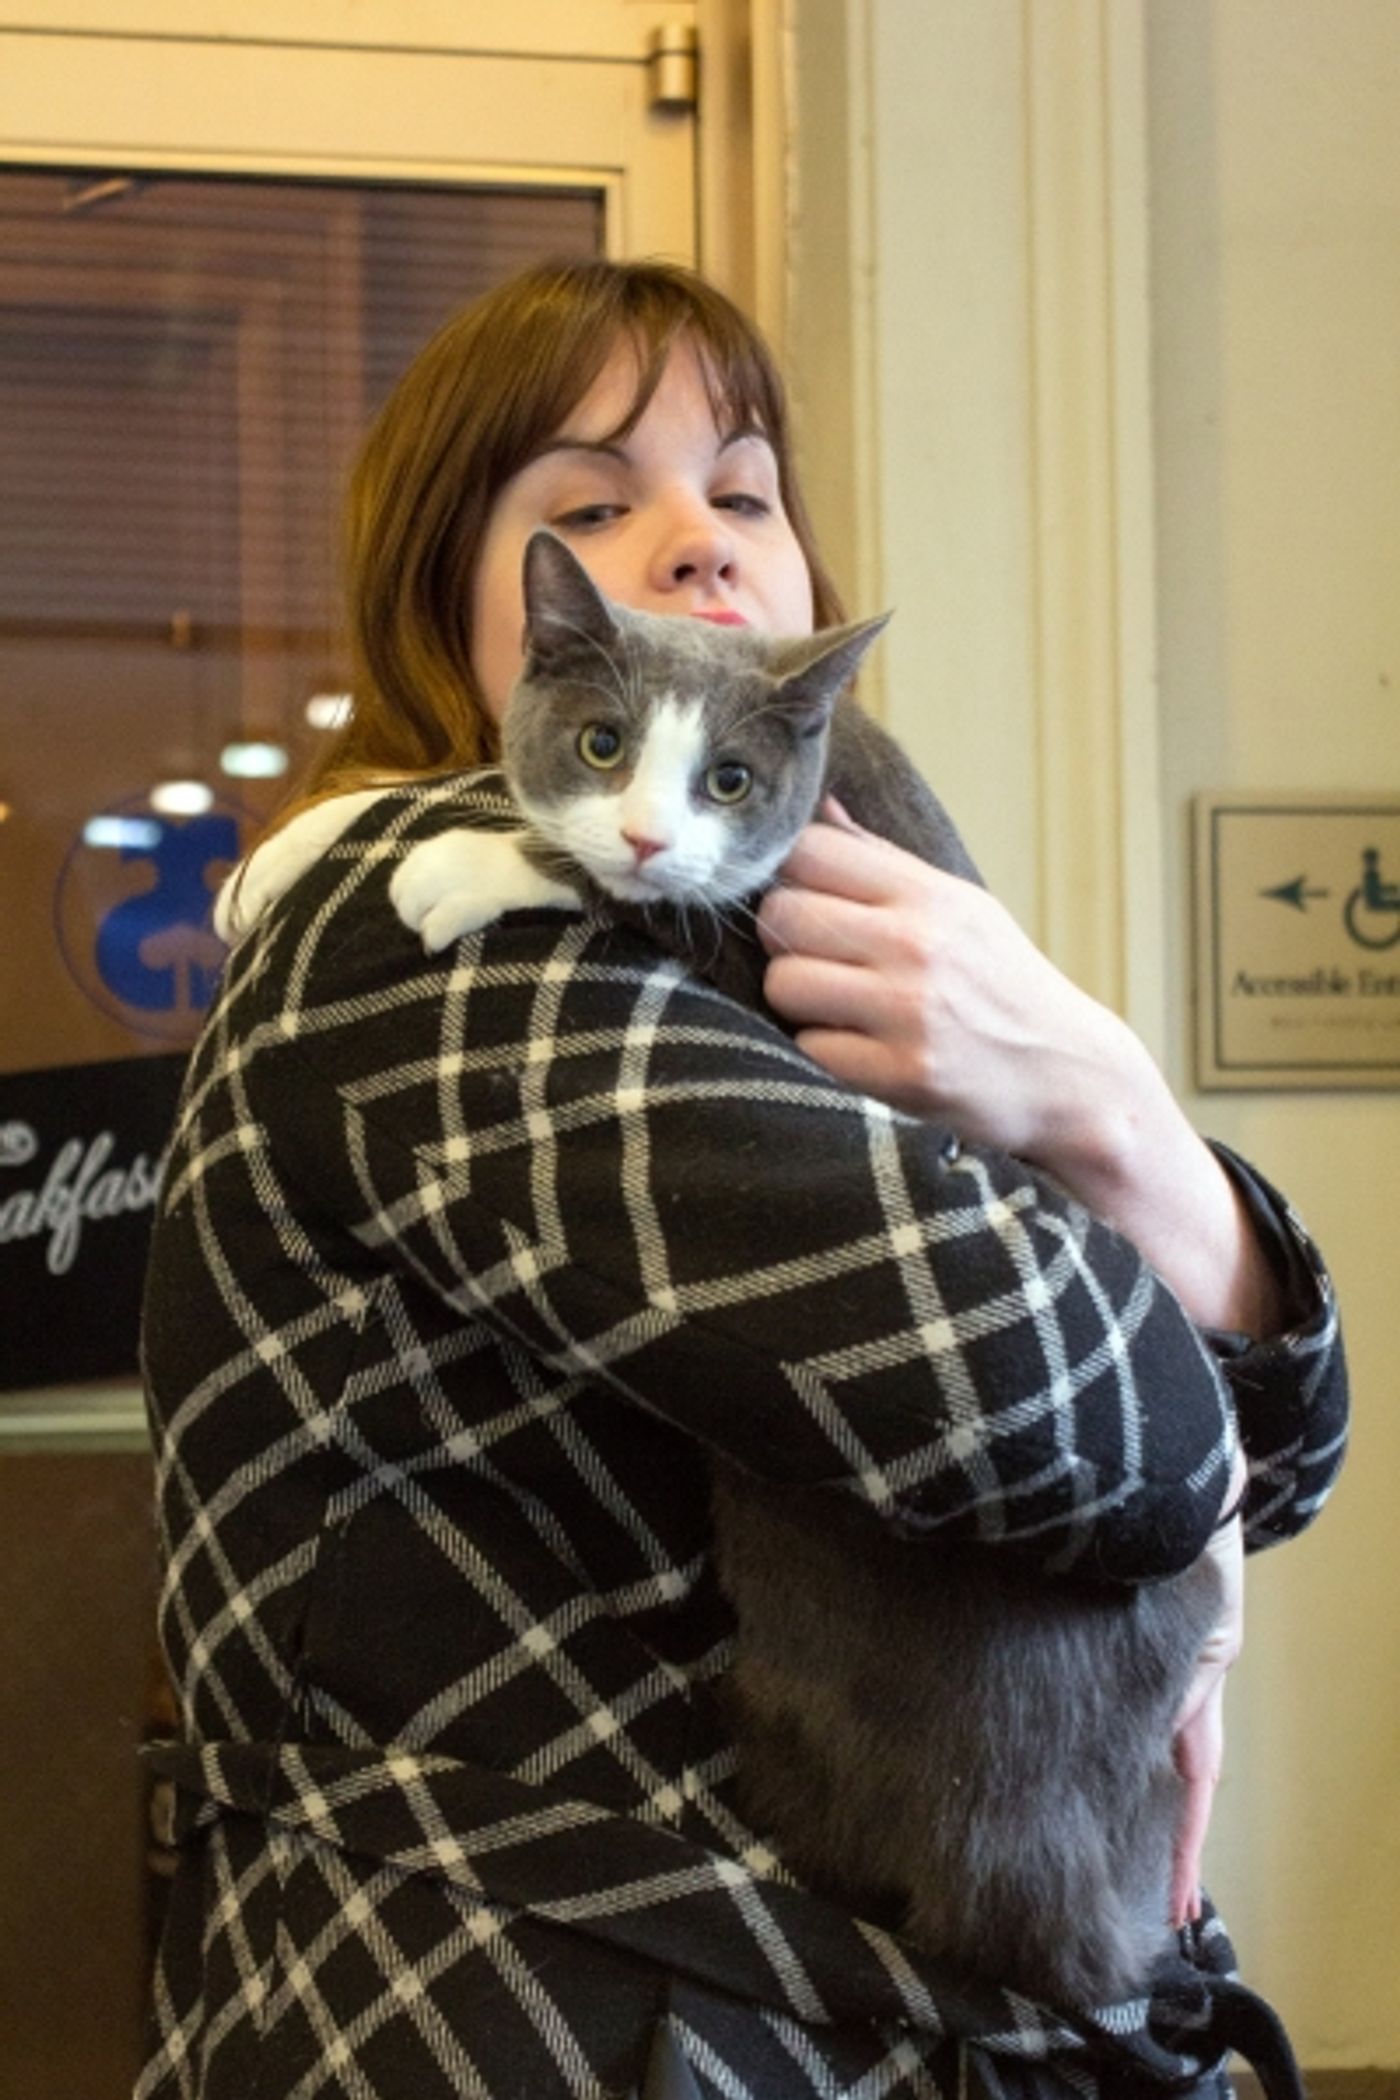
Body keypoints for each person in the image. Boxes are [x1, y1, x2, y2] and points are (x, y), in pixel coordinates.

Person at [138, 259, 1347, 2100]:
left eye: (748, 489)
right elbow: (1075, 1403)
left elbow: (1295, 1442)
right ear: (473, 607)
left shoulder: (798, 953)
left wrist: (1103, 1101)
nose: (697, 539)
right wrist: (1185, 1441)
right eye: (593, 500)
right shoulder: (417, 929)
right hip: (553, 2021)